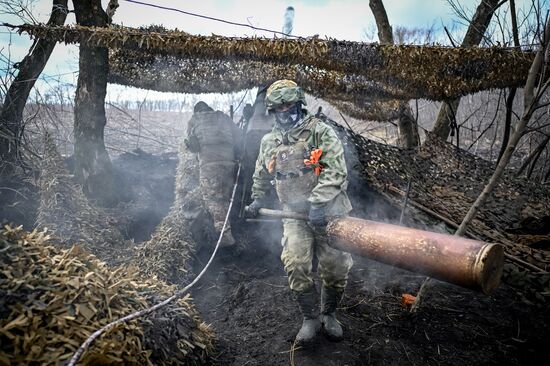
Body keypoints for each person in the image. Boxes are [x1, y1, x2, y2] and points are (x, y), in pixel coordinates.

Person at [246, 80, 353, 345]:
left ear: (299, 104)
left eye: (289, 104)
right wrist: (257, 198)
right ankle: (310, 318)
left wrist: (318, 202)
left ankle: (329, 314)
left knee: (336, 267)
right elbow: (261, 172)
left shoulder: (321, 132)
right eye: (279, 106)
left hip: (329, 211)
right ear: (271, 110)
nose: (285, 110)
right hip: (294, 214)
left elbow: (336, 171)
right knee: (295, 262)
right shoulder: (270, 141)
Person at [185, 101, 240, 248]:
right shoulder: (223, 117)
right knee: (225, 195)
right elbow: (239, 136)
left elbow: (193, 146)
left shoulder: (194, 120)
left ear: (197, 111)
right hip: (229, 163)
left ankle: (225, 235)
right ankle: (231, 226)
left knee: (213, 198)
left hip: (209, 165)